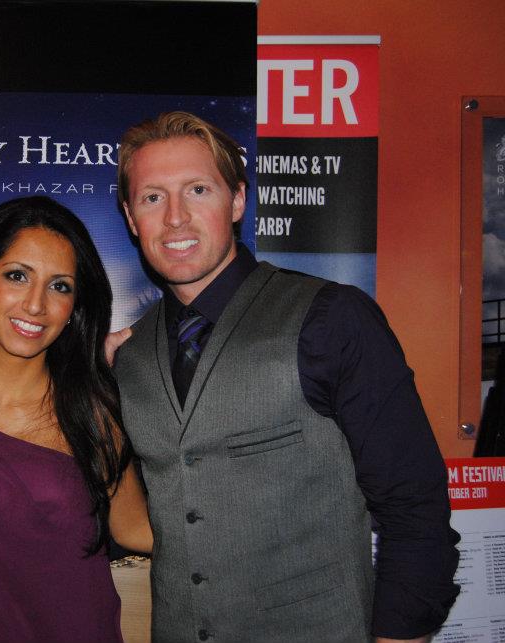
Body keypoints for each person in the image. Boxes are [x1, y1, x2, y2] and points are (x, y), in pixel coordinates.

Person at [110, 112, 460, 643]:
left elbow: (415, 508)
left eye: (198, 189)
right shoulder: (130, 358)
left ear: (238, 201)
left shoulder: (333, 318)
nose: (175, 218)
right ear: (132, 219)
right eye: (152, 197)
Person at [0, 196, 151, 643]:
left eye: (60, 286)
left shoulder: (93, 413)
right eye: (17, 276)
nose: (35, 304)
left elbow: (137, 529)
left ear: (74, 307)